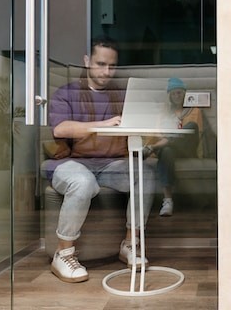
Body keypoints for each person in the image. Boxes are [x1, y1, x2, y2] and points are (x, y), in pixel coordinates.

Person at [46, 36, 155, 283]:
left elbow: (142, 126)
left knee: (145, 174)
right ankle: (63, 253)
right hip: (71, 163)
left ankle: (130, 243)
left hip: (111, 164)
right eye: (100, 64)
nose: (106, 71)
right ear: (87, 61)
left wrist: (163, 123)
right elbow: (60, 129)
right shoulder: (67, 92)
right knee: (83, 183)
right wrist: (101, 125)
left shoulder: (122, 95)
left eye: (112, 66)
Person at [143, 77, 203, 216]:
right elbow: (157, 132)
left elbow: (197, 133)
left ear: (185, 94)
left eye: (180, 92)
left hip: (186, 148)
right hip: (167, 149)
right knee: (167, 150)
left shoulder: (194, 110)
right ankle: (168, 201)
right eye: (174, 93)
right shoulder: (163, 113)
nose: (177, 96)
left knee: (191, 126)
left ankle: (153, 147)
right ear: (169, 95)